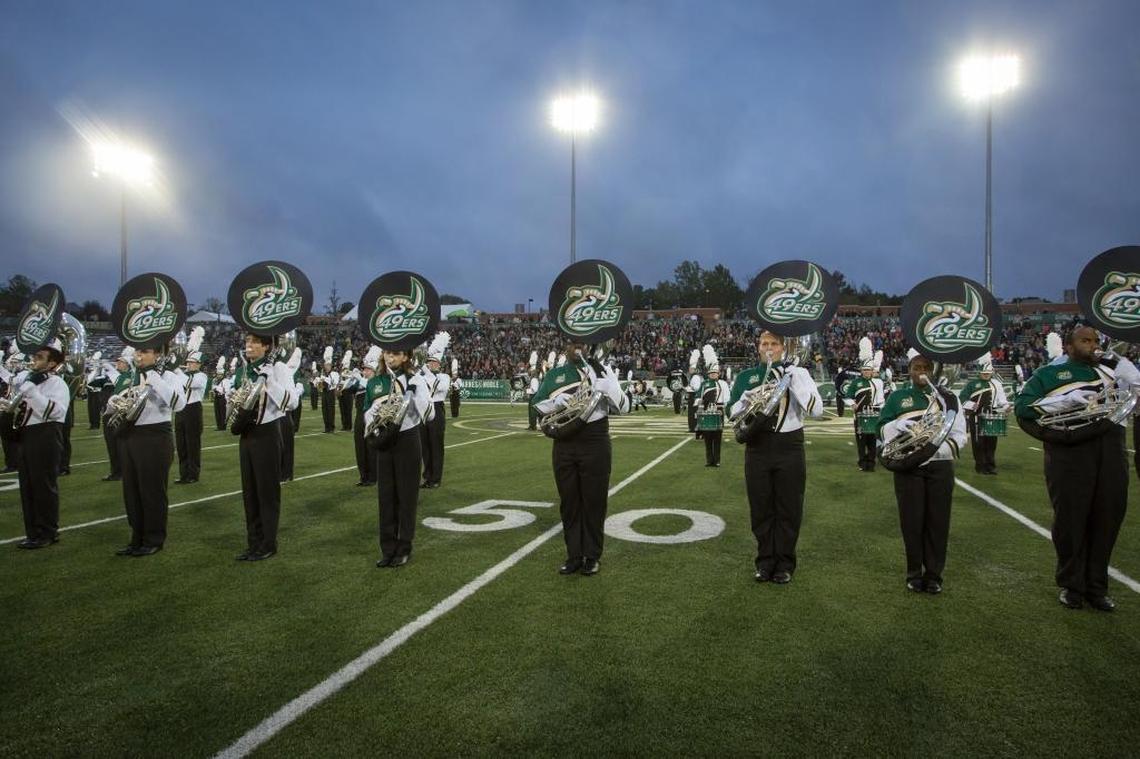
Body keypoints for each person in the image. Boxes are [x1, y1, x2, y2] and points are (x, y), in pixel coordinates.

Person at [1015, 325, 1137, 612]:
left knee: (1108, 517)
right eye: (1085, 340)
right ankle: (1072, 585)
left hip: (1111, 449)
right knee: (1071, 519)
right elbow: (1024, 408)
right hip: (1070, 453)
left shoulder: (1112, 372)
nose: (1093, 345)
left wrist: (1131, 376)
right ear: (1069, 347)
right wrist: (1064, 401)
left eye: (1095, 340)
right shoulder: (1049, 374)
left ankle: (1097, 587)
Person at [728, 331, 823, 584]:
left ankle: (785, 563)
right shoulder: (746, 376)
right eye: (764, 343)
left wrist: (794, 381)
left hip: (789, 447)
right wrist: (746, 400)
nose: (768, 347)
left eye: (774, 343)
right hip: (757, 447)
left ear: (783, 347)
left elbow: (817, 410)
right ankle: (764, 561)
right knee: (761, 508)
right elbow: (730, 412)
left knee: (789, 508)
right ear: (758, 347)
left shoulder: (799, 373)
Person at [532, 344, 629, 576]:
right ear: (566, 346)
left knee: (594, 501)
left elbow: (625, 407)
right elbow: (536, 403)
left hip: (595, 439)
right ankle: (574, 555)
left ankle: (592, 556)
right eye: (573, 342)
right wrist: (555, 403)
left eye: (583, 343)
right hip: (564, 441)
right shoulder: (556, 374)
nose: (578, 347)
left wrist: (610, 389)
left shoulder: (603, 369)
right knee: (569, 502)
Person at [877, 353, 967, 594]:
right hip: (909, 467)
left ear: (933, 370)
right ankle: (914, 572)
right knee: (912, 522)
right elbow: (880, 427)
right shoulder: (898, 397)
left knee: (938, 522)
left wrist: (933, 451)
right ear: (910, 371)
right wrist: (896, 426)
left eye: (926, 367)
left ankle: (934, 574)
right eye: (917, 367)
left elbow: (959, 434)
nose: (921, 371)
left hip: (940, 466)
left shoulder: (949, 398)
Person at [116, 345, 186, 557]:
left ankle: (154, 538)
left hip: (156, 436)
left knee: (152, 491)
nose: (139, 356)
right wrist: (113, 401)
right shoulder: (131, 375)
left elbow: (179, 404)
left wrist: (155, 379)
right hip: (130, 435)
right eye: (138, 352)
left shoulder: (169, 376)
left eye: (145, 351)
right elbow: (116, 399)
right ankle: (136, 537)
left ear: (158, 354)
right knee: (132, 491)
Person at [366, 349, 431, 568]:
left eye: (395, 354)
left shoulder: (416, 380)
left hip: (407, 440)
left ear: (405, 357)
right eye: (387, 353)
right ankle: (387, 549)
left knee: (406, 496)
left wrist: (414, 393)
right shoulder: (375, 382)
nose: (389, 357)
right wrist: (377, 415)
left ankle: (404, 547)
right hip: (384, 439)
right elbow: (366, 412)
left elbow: (430, 413)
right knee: (386, 497)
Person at [232, 334, 294, 561]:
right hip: (247, 435)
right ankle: (253, 543)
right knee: (249, 493)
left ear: (267, 346)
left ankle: (268, 543)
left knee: (267, 493)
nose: (249, 345)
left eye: (255, 341)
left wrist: (269, 382)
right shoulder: (244, 369)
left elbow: (292, 401)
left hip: (267, 433)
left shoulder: (278, 368)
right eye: (247, 340)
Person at [10, 339, 70, 549]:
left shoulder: (57, 383)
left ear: (52, 363)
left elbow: (56, 412)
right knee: (27, 487)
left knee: (43, 486)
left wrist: (32, 393)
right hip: (27, 435)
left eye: (40, 357)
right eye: (34, 356)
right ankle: (32, 532)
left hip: (46, 434)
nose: (34, 360)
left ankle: (48, 532)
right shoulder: (30, 381)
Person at [959, 353, 1009, 475]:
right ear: (979, 373)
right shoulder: (972, 384)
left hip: (993, 415)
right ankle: (980, 466)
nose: (986, 375)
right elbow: (961, 399)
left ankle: (990, 466)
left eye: (988, 373)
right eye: (984, 373)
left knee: (992, 442)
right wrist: (971, 405)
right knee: (978, 442)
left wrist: (1006, 406)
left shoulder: (997, 384)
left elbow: (1002, 400)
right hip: (976, 416)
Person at [845, 338, 885, 472]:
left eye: (869, 370)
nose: (867, 372)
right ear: (862, 371)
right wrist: (852, 404)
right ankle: (862, 463)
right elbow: (847, 397)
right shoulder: (856, 383)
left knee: (872, 441)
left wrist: (880, 410)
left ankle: (871, 463)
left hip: (874, 415)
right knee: (861, 440)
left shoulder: (877, 382)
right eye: (865, 370)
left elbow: (881, 399)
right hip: (860, 415)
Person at [420, 334, 451, 489]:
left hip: (437, 410)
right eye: (429, 362)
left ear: (439, 363)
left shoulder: (444, 377)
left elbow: (439, 388)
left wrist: (426, 372)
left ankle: (436, 478)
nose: (430, 364)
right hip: (423, 410)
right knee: (425, 446)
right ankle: (427, 476)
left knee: (436, 445)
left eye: (433, 362)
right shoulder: (423, 376)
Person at [174, 351, 207, 484]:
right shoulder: (183, 375)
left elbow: (190, 384)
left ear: (199, 364)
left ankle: (193, 474)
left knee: (192, 443)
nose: (188, 364)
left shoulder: (202, 376)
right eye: (188, 362)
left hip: (193, 409)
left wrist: (176, 369)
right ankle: (183, 474)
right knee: (180, 443)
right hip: (180, 409)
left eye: (192, 362)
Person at [102, 348, 134, 482]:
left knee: (119, 445)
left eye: (120, 362)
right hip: (111, 413)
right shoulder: (121, 376)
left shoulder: (131, 377)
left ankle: (120, 472)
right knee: (112, 445)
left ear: (127, 364)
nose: (118, 364)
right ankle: (116, 471)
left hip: (120, 414)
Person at [698, 346, 730, 467]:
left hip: (719, 411)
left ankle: (716, 460)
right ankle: (708, 460)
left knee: (717, 437)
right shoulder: (704, 384)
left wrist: (723, 410)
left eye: (715, 373)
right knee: (707, 437)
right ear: (708, 373)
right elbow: (699, 398)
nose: (713, 375)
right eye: (711, 373)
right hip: (707, 411)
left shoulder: (723, 384)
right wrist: (700, 408)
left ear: (718, 373)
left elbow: (727, 399)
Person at [353, 347, 379, 487]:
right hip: (359, 418)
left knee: (371, 447)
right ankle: (363, 476)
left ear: (374, 371)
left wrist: (359, 379)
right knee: (360, 447)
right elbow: (341, 392)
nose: (365, 371)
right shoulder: (361, 383)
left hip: (372, 418)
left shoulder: (376, 383)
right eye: (364, 369)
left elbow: (371, 389)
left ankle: (373, 476)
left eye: (368, 369)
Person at [338, 351, 356, 431]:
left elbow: (352, 382)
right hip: (341, 393)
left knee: (348, 410)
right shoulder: (341, 373)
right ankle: (344, 425)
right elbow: (339, 382)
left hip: (348, 393)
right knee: (342, 410)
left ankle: (349, 426)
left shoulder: (350, 373)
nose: (343, 367)